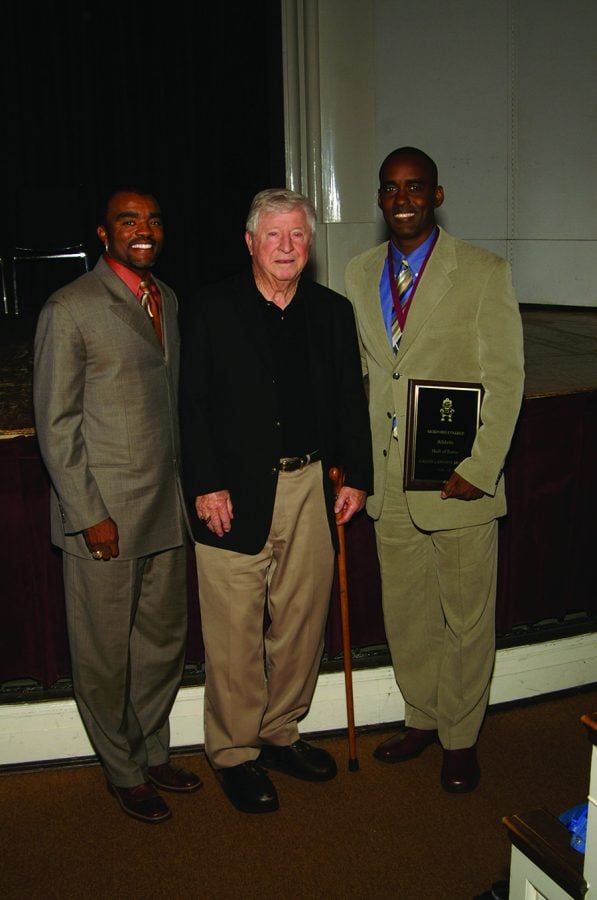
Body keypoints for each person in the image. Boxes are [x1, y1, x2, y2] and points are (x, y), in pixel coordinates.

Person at [180, 188, 373, 813]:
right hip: (230, 495)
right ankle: (235, 754)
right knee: (234, 635)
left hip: (309, 487)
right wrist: (206, 483)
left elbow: (350, 403)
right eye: (273, 235)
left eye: (297, 235)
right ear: (250, 242)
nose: (286, 247)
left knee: (300, 622)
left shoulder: (333, 312)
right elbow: (193, 406)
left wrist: (356, 478)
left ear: (310, 243)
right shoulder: (209, 310)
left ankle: (280, 731)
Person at [345, 147, 525, 792]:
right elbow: (362, 377)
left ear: (437, 194)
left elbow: (506, 379)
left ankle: (460, 735)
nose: (403, 199)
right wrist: (352, 465)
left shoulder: (482, 271)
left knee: (467, 615)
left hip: (459, 477)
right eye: (391, 189)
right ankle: (422, 717)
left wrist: (481, 466)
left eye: (415, 187)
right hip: (388, 478)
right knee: (408, 612)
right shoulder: (359, 272)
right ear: (379, 199)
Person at [33, 188, 201, 824]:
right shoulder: (70, 308)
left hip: (165, 508)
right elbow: (56, 425)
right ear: (104, 235)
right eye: (129, 220)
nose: (145, 229)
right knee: (104, 655)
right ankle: (122, 771)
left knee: (162, 645)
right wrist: (88, 514)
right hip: (102, 518)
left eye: (154, 219)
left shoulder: (168, 299)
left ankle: (153, 751)